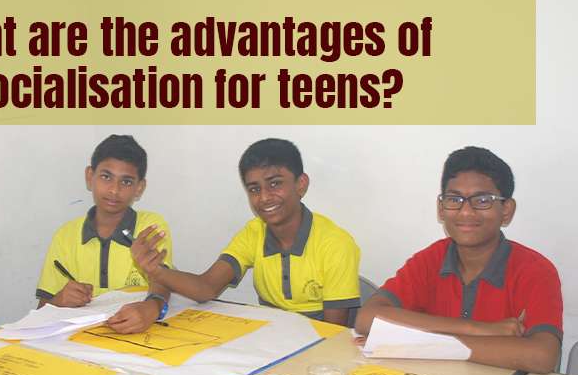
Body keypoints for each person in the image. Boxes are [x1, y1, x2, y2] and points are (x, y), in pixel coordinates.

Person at [355, 146, 562, 373]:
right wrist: (480, 329)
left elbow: (542, 357)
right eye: (454, 199)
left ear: (506, 210)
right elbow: (367, 319)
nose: (465, 212)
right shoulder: (431, 259)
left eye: (482, 200)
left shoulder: (534, 270)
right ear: (441, 209)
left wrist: (420, 344)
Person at [130, 138, 360, 325]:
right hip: (269, 340)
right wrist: (157, 271)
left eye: (275, 183)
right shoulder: (254, 233)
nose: (264, 197)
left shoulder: (336, 244)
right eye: (254, 189)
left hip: (317, 348)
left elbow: (332, 335)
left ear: (301, 184)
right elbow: (206, 288)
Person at [36, 135, 172, 334]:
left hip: (138, 336)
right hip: (81, 341)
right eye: (106, 177)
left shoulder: (150, 227)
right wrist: (60, 301)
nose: (114, 190)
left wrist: (151, 308)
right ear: (90, 177)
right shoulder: (65, 236)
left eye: (126, 182)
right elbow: (42, 311)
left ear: (139, 188)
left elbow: (164, 282)